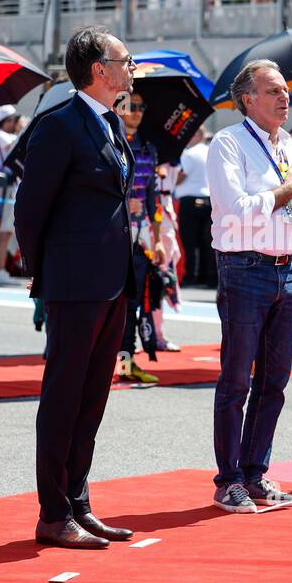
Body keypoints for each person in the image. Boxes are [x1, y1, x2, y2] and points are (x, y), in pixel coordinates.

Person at [13, 26, 138, 549]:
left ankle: (79, 502)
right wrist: (48, 275)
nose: (133, 67)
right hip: (74, 283)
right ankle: (53, 511)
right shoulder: (59, 125)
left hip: (113, 282)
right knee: (64, 396)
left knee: (92, 398)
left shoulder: (111, 123)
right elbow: (29, 209)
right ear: (99, 70)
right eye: (125, 59)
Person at [206, 59, 292, 513]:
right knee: (235, 380)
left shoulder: (288, 144)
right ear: (247, 99)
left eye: (285, 90)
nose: (284, 97)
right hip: (244, 268)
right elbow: (234, 208)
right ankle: (228, 479)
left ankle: (255, 473)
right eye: (273, 91)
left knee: (275, 381)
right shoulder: (227, 143)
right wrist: (282, 194)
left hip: (285, 270)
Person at [118, 90, 167, 384]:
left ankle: (126, 364)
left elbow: (154, 200)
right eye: (130, 106)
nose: (136, 111)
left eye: (141, 106)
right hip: (109, 239)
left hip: (139, 240)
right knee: (106, 306)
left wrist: (158, 239)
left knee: (132, 306)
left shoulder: (149, 149)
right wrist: (124, 204)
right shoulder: (110, 145)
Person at [174, 127, 216, 288]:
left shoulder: (189, 154)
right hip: (209, 200)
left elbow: (180, 176)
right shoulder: (211, 152)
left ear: (198, 134)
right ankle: (208, 277)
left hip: (190, 200)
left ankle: (192, 276)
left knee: (190, 241)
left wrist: (173, 181)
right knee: (208, 241)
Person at [0, 105, 23, 287]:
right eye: (12, 120)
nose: (15, 123)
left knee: (6, 231)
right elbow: (17, 143)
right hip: (5, 190)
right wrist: (25, 129)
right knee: (2, 232)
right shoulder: (1, 136)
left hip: (8, 189)